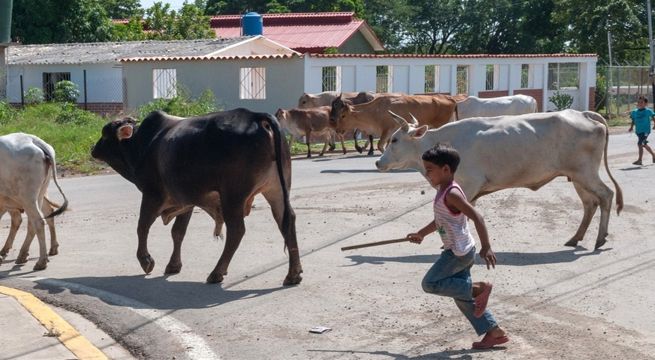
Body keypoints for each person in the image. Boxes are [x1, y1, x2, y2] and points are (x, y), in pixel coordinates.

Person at [406, 144, 508, 349]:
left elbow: (477, 216)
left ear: (445, 169)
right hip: (462, 249)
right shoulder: (443, 190)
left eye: (429, 170)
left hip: (458, 253)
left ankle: (479, 288)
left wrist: (486, 246)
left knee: (431, 284)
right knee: (462, 296)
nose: (426, 174)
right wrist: (421, 234)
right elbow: (440, 220)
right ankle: (494, 332)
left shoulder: (452, 194)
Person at [628, 95, 655, 166]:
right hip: (638, 131)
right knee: (644, 144)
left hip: (646, 131)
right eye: (639, 102)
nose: (640, 103)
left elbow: (653, 117)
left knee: (640, 143)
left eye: (642, 102)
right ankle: (654, 155)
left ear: (646, 104)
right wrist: (631, 127)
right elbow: (633, 120)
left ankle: (640, 160)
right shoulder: (635, 112)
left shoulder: (648, 111)